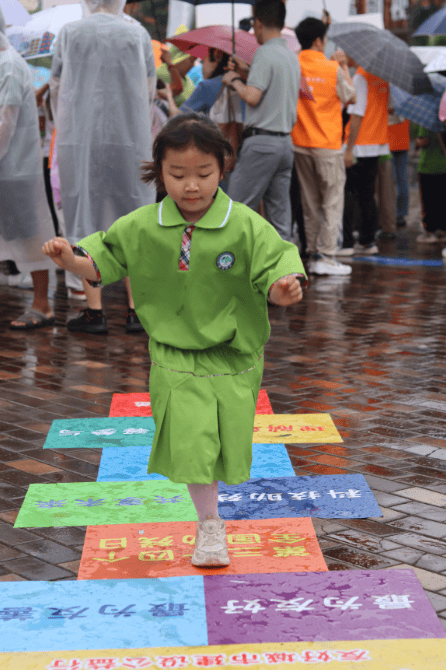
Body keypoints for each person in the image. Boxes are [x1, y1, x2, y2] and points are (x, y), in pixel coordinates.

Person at [42, 113, 307, 567]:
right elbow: (101, 260)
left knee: (224, 447)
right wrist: (70, 258)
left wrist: (284, 287)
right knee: (193, 444)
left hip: (234, 356)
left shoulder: (245, 224)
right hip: (174, 357)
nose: (191, 186)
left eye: (203, 174)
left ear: (222, 169)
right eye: (177, 174)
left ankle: (211, 518)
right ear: (159, 172)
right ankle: (209, 527)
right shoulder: (142, 225)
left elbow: (278, 261)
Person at [50, 0, 156, 334]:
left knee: (86, 213)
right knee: (134, 215)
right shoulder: (138, 35)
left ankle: (94, 311)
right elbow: (150, 88)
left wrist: (64, 121)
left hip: (81, 139)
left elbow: (56, 87)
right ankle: (136, 309)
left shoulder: (69, 33)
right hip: (130, 137)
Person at [221, 0, 300, 243]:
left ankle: (228, 268)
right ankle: (284, 272)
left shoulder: (264, 53)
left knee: (236, 209)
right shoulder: (290, 56)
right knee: (279, 218)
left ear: (258, 23)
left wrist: (234, 79)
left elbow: (253, 97)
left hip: (262, 143)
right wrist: (246, 72)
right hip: (285, 144)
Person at [0, 7, 56, 330]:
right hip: (9, 167)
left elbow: (3, 125)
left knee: (30, 238)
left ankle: (42, 305)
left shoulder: (9, 66)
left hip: (13, 170)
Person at [293, 18, 356, 275]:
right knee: (331, 200)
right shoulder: (332, 68)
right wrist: (344, 65)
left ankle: (312, 253)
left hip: (299, 142)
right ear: (318, 40)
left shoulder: (293, 64)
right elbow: (350, 97)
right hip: (327, 145)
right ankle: (327, 255)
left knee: (310, 202)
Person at [341, 63, 390, 255]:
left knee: (348, 193)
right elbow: (390, 107)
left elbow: (357, 115)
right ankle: (368, 241)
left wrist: (349, 149)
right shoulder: (382, 76)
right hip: (376, 143)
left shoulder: (361, 77)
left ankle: (346, 243)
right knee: (367, 194)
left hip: (359, 144)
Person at [415, 125, 446, 243]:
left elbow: (424, 141)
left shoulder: (427, 121)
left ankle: (430, 232)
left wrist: (418, 142)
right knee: (443, 200)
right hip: (444, 166)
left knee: (429, 201)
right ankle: (443, 230)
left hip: (428, 166)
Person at [156, 25, 196, 108]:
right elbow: (177, 89)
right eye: (191, 61)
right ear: (180, 59)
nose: (193, 66)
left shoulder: (186, 79)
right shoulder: (163, 74)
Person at [389, 118, 410, 229]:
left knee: (390, 182)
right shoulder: (405, 101)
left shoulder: (385, 100)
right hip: (403, 140)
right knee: (402, 179)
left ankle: (391, 214)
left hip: (388, 140)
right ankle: (400, 215)